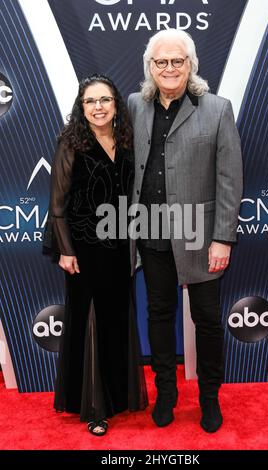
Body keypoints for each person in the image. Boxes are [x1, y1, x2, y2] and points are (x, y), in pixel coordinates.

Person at [128, 29, 243, 433]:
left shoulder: (216, 108)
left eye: (177, 60)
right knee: (159, 315)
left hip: (201, 234)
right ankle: (166, 395)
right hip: (151, 233)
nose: (169, 68)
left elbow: (230, 179)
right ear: (150, 67)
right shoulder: (134, 106)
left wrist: (222, 238)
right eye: (161, 61)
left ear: (191, 64)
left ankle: (210, 399)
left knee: (208, 320)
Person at [43, 74, 148, 436]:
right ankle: (94, 408)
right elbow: (57, 204)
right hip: (83, 250)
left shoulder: (126, 140)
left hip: (119, 248)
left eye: (105, 100)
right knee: (89, 323)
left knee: (117, 320)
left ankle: (119, 397)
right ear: (81, 106)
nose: (98, 107)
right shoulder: (71, 143)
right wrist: (65, 251)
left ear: (116, 104)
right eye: (90, 101)